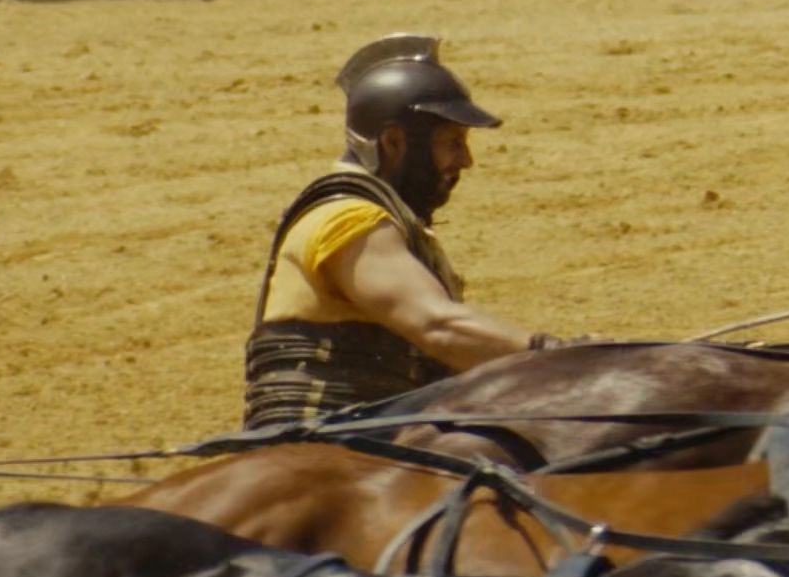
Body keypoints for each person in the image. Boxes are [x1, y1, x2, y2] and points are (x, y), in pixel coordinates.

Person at [240, 34, 569, 428]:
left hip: (366, 451)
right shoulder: (348, 220)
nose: (466, 160)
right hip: (326, 457)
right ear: (394, 142)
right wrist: (562, 358)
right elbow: (438, 327)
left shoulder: (384, 220)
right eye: (451, 142)